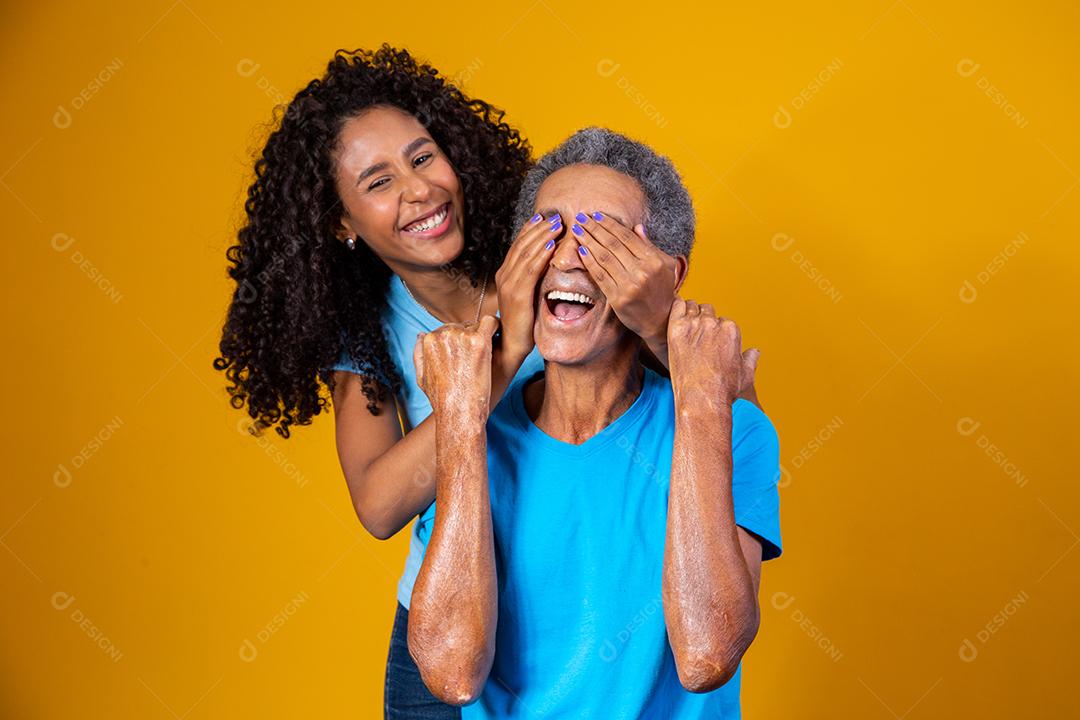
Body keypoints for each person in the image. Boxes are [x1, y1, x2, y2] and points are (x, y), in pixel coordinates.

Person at [214, 49, 690, 717]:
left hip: (580, 604)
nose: (417, 191)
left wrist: (658, 313)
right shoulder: (363, 331)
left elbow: (710, 399)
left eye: (422, 157)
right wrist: (506, 348)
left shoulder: (546, 243)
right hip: (447, 616)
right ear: (341, 222)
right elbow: (379, 505)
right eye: (377, 182)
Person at [408, 128, 782, 718]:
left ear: (667, 274)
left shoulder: (733, 430)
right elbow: (451, 675)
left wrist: (702, 396)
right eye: (547, 230)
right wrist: (458, 419)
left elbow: (707, 655)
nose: (565, 257)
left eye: (602, 238)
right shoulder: (470, 434)